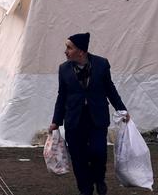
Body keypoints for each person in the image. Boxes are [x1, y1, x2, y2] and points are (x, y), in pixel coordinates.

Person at [50, 33, 128, 195]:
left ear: (81, 51)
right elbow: (61, 95)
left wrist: (122, 109)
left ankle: (99, 178)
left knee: (98, 151)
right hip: (74, 119)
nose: (66, 51)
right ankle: (85, 190)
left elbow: (110, 90)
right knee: (78, 157)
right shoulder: (64, 69)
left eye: (69, 48)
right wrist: (56, 121)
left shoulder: (101, 65)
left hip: (96, 117)